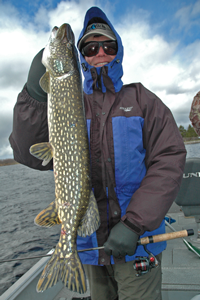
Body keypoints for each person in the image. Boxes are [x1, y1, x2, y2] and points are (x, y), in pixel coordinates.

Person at [9, 6, 186, 300]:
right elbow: (25, 152)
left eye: (107, 45)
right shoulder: (73, 103)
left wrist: (134, 224)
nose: (100, 51)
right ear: (81, 57)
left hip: (137, 243)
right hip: (90, 246)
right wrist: (35, 93)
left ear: (118, 50)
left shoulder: (143, 100)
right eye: (90, 47)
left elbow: (169, 161)